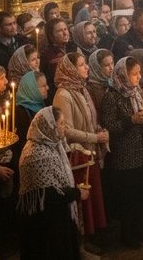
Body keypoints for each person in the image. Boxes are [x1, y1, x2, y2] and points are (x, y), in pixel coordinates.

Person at [16, 106, 88, 260]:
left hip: (55, 215)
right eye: (61, 123)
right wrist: (76, 193)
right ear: (50, 126)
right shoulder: (36, 154)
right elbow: (49, 194)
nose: (64, 127)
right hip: (44, 224)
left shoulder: (52, 145)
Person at [52, 52, 108, 239]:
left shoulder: (81, 88)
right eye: (82, 65)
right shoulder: (63, 95)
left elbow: (90, 117)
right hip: (77, 155)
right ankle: (84, 239)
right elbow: (66, 130)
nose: (87, 67)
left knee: (93, 195)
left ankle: (96, 233)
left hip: (89, 152)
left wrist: (98, 129)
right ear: (71, 70)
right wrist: (94, 137)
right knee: (83, 198)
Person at [100, 56, 143, 248]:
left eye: (139, 73)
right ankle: (127, 233)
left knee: (138, 193)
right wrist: (132, 120)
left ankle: (138, 228)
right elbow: (109, 126)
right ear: (123, 74)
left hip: (139, 152)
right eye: (134, 74)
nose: (139, 77)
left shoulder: (135, 91)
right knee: (127, 196)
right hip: (123, 155)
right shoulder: (112, 96)